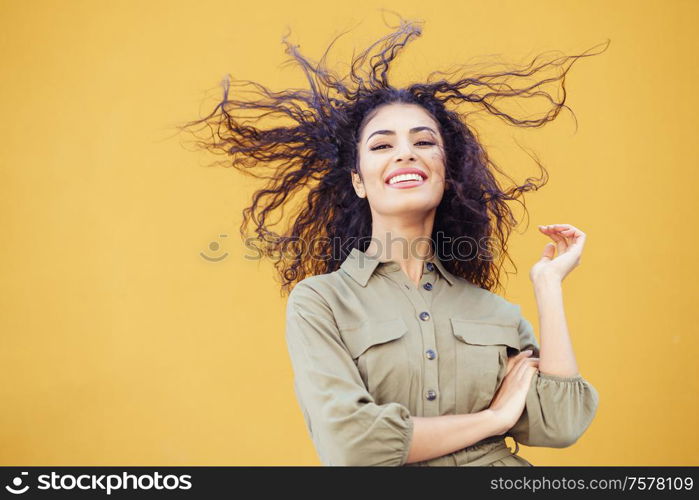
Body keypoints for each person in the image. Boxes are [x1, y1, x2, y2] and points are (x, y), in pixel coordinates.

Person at [178, 13, 608, 466]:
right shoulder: (321, 302)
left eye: (424, 142)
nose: (405, 151)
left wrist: (549, 285)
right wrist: (496, 418)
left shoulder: (494, 312)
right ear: (359, 181)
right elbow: (352, 447)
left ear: (446, 172)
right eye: (382, 145)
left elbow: (560, 425)